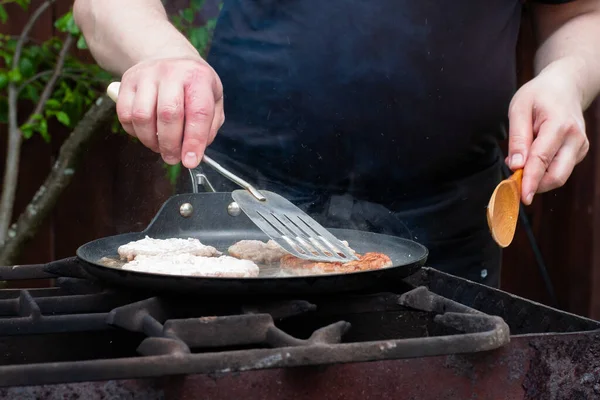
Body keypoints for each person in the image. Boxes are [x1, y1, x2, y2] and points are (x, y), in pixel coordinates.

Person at [73, 0, 600, 287]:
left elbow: (580, 14)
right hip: (248, 218)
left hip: (453, 228)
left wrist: (567, 78)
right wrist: (166, 55)